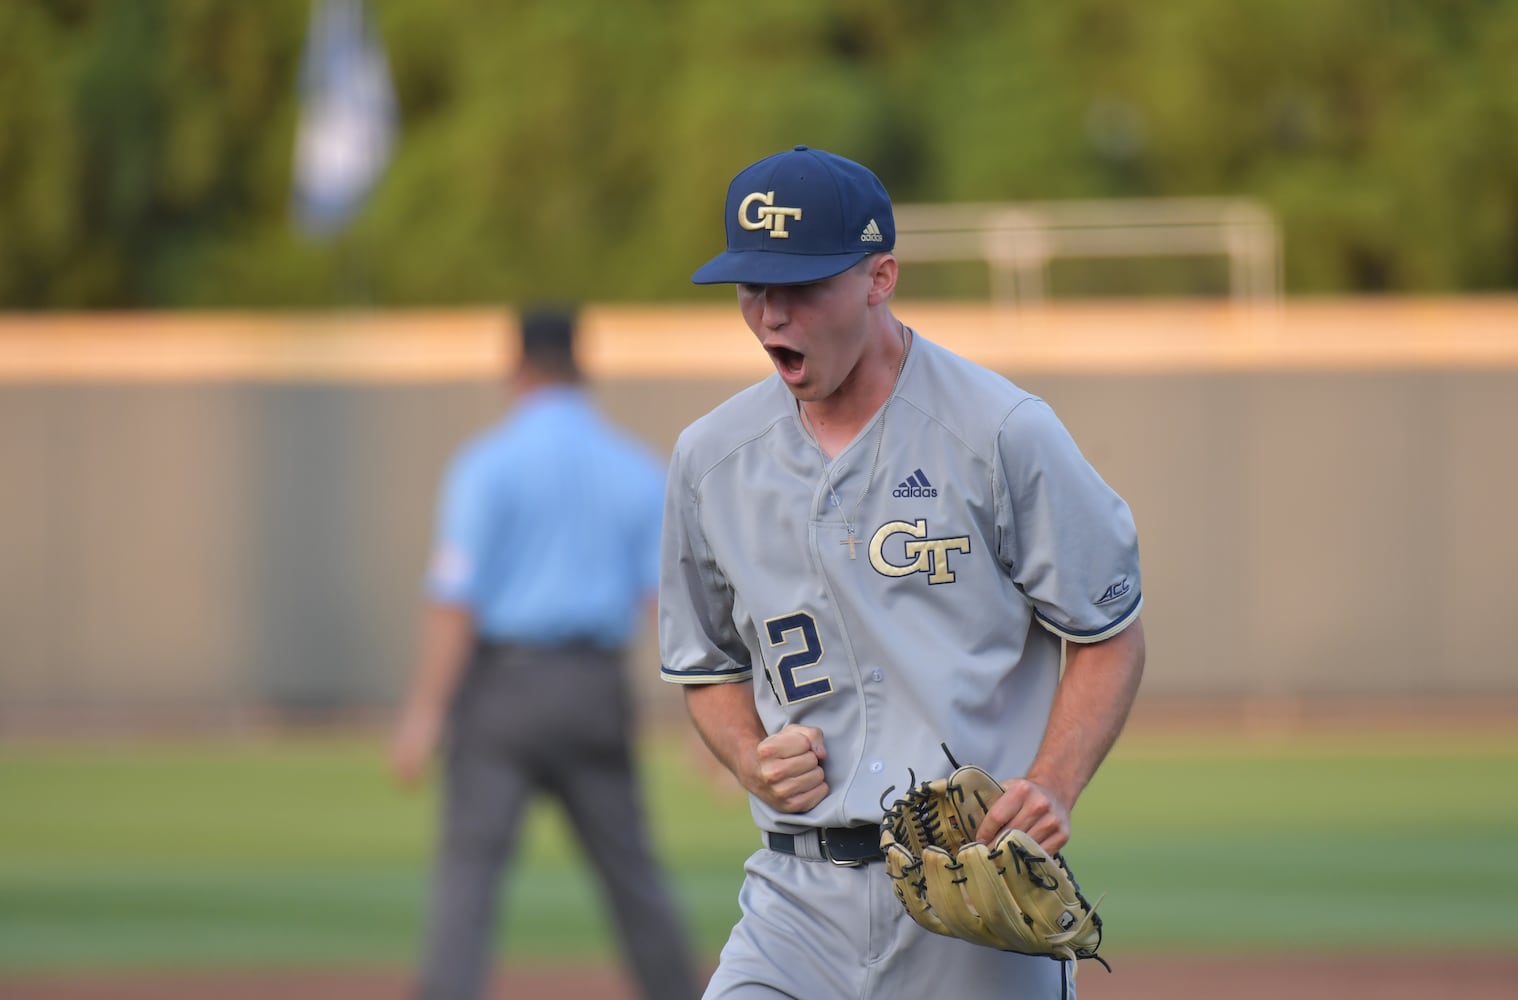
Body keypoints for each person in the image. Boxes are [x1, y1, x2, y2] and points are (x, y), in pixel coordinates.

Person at [658, 145, 1147, 999]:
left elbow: (1109, 636)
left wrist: (1052, 783)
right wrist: (746, 755)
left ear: (880, 277)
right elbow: (706, 670)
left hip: (969, 904)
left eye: (801, 286)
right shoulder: (710, 461)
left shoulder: (1001, 433)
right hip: (792, 904)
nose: (771, 313)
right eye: (750, 287)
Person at [389, 305, 702, 1000]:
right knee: (632, 875)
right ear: (581, 369)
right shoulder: (633, 466)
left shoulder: (486, 464)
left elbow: (454, 601)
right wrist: (704, 722)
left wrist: (423, 715)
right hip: (592, 687)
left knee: (469, 875)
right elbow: (667, 606)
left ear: (518, 370)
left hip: (503, 688)